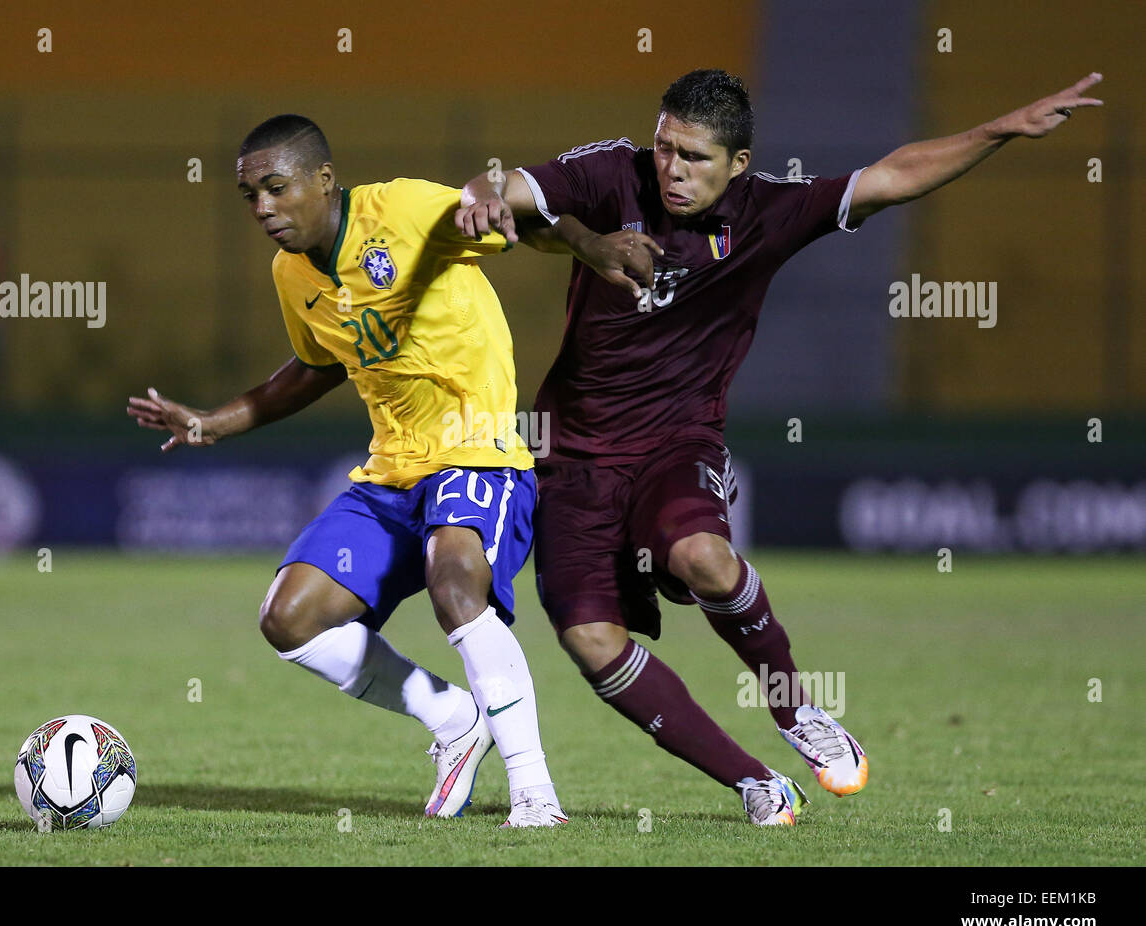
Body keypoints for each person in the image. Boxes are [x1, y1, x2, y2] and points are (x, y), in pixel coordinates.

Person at [456, 69, 1103, 825]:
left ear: (736, 164)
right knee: (590, 641)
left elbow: (891, 177)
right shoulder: (614, 174)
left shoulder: (770, 211)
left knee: (703, 557)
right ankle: (754, 782)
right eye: (665, 148)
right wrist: (489, 200)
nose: (671, 168)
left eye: (694, 157)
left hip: (676, 440)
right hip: (570, 459)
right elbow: (505, 185)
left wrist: (1000, 128)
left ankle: (796, 711)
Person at [127, 115, 566, 827]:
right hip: (392, 475)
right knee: (288, 617)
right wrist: (213, 420)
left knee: (455, 583)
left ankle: (535, 794)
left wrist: (585, 238)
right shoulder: (291, 273)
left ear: (324, 180)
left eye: (275, 188)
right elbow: (312, 369)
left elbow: (511, 204)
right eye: (250, 196)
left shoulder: (403, 210)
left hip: (477, 447)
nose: (262, 208)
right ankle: (453, 719)